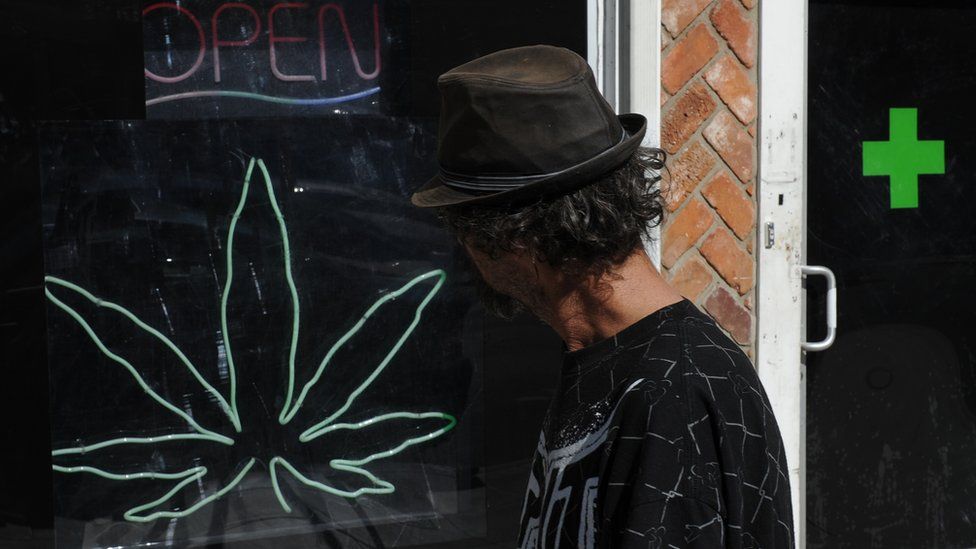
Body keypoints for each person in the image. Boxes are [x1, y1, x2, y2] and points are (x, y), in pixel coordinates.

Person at [411, 45, 795, 548]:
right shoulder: (603, 353)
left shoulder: (670, 397)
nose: (466, 253)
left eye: (466, 231)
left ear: (516, 237)